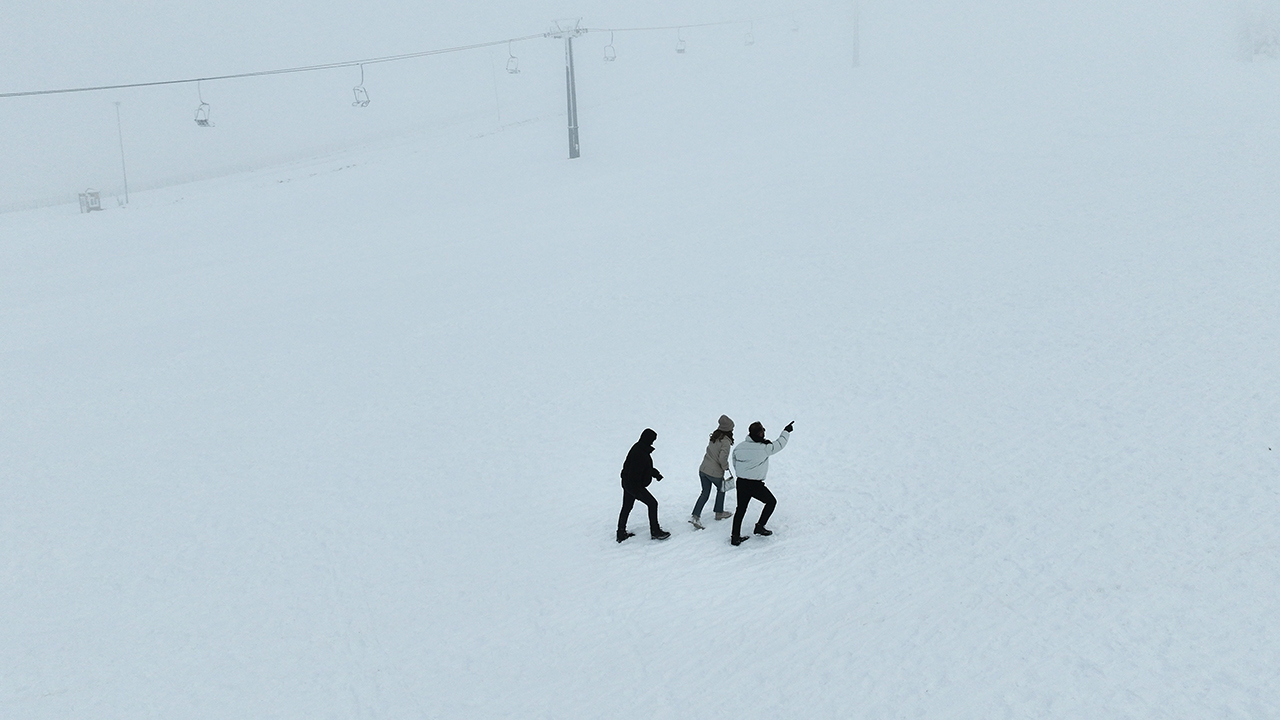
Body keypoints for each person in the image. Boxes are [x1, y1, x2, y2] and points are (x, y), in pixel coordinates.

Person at [729, 420, 793, 546]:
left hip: (741, 482)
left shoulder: (739, 447)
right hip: (755, 484)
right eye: (763, 430)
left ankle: (735, 537)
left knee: (740, 509)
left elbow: (735, 462)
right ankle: (759, 527)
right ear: (760, 433)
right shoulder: (764, 448)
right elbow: (780, 444)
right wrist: (786, 431)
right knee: (771, 502)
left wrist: (742, 474)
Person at [617, 428, 671, 542]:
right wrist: (638, 489)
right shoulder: (640, 453)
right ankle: (655, 532)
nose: (653, 442)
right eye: (652, 440)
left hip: (627, 482)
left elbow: (644, 468)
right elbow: (636, 472)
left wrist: (655, 474)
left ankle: (620, 533)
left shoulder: (639, 448)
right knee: (652, 504)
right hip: (633, 485)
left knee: (627, 507)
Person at [690, 415, 735, 529]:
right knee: (721, 489)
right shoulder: (725, 441)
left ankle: (695, 516)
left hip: (703, 470)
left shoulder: (714, 437)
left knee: (704, 493)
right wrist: (726, 467)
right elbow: (722, 458)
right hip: (714, 473)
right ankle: (719, 512)